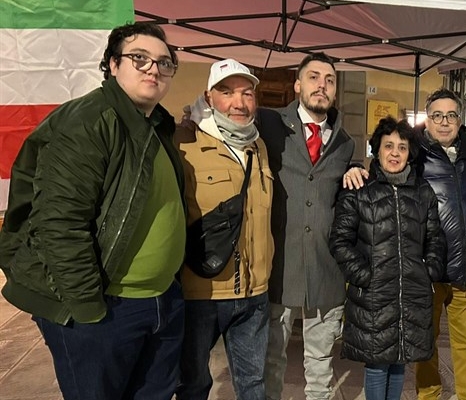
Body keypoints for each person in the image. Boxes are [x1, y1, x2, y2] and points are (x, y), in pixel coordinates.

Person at [0, 23, 185, 400]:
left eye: (164, 63)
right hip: (106, 309)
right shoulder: (87, 121)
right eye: (140, 58)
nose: (154, 69)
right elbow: (60, 223)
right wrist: (87, 309)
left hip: (160, 299)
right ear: (113, 65)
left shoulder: (156, 126)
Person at [342, 88, 466, 400]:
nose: (444, 121)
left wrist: (429, 264)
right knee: (421, 347)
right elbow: (379, 175)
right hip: (418, 279)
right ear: (427, 119)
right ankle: (428, 397)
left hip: (462, 271)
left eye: (451, 115)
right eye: (437, 115)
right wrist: (354, 168)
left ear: (460, 120)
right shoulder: (417, 154)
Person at [174, 59, 274, 400]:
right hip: (202, 294)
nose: (239, 103)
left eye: (247, 93)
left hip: (255, 292)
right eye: (227, 92)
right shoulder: (184, 143)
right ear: (208, 96)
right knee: (193, 385)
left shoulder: (258, 147)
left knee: (253, 385)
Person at [258, 52, 355, 400]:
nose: (322, 86)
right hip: (278, 268)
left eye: (329, 80)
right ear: (297, 84)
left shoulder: (346, 143)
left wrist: (354, 169)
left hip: (324, 270)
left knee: (320, 366)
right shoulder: (268, 124)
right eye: (313, 77)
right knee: (270, 363)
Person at [329, 116, 445, 400]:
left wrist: (428, 270)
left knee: (399, 360)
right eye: (388, 146)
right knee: (378, 362)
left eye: (402, 147)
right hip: (374, 293)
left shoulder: (422, 192)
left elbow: (435, 238)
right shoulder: (359, 190)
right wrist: (364, 276)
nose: (395, 153)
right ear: (377, 150)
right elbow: (340, 240)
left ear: (410, 153)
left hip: (412, 292)